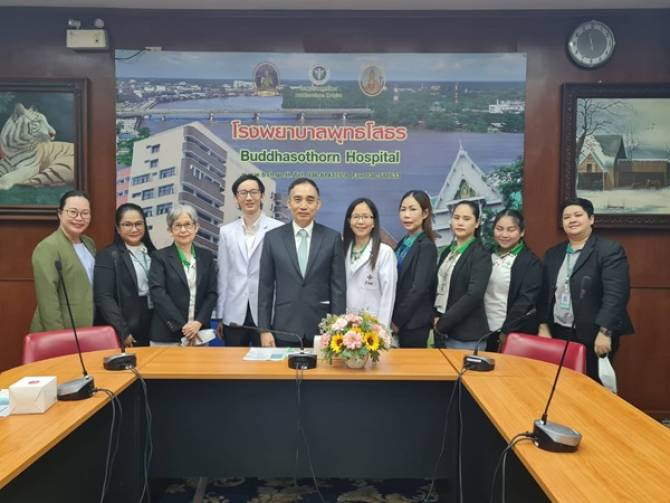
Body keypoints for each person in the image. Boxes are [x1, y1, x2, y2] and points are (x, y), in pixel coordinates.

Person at [538, 197, 634, 381]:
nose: (572, 220)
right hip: (558, 331)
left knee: (590, 387)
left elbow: (616, 295)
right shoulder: (553, 253)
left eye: (577, 215)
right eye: (566, 217)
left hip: (594, 334)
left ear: (591, 219)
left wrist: (605, 332)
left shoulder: (609, 250)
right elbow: (544, 294)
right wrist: (543, 325)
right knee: (560, 384)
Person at [258, 178, 346, 347]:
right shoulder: (272, 238)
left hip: (323, 330)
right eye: (297, 199)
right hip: (284, 328)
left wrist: (337, 330)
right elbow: (265, 287)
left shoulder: (332, 238)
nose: (303, 206)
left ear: (318, 204)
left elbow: (338, 289)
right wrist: (264, 329)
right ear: (289, 203)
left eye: (310, 200)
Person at [216, 174, 282, 346]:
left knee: (266, 361)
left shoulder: (278, 229)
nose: (249, 197)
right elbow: (224, 274)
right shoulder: (226, 232)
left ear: (262, 195)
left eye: (254, 192)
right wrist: (221, 315)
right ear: (236, 198)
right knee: (233, 361)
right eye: (243, 193)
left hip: (266, 312)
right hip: (234, 312)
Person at [148, 205, 217, 346]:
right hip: (168, 334)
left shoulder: (206, 257)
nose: (183, 230)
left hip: (199, 333)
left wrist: (198, 322)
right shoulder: (159, 257)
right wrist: (184, 327)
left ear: (196, 227)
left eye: (187, 224)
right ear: (170, 230)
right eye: (178, 225)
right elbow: (158, 294)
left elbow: (212, 293)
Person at [31, 190, 95, 332]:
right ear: (60, 214)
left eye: (85, 213)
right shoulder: (48, 247)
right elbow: (47, 301)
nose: (79, 218)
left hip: (86, 328)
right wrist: (58, 335)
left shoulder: (89, 243)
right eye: (73, 212)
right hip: (61, 330)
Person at [94, 203, 156, 347]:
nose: (134, 229)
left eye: (138, 224)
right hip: (126, 326)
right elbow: (104, 297)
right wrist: (123, 331)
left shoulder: (153, 253)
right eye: (127, 224)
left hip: (153, 326)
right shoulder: (108, 255)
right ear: (118, 228)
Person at [433, 200, 492, 350]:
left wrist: (443, 323)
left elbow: (474, 295)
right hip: (442, 332)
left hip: (467, 336)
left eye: (466, 219)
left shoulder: (481, 254)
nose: (460, 223)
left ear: (477, 223)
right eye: (456, 217)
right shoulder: (448, 251)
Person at [483, 209, 542, 351]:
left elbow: (526, 301)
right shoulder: (485, 255)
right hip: (481, 329)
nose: (504, 234)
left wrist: (506, 331)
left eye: (511, 230)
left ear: (522, 232)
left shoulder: (531, 263)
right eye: (499, 229)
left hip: (509, 332)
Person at [392, 190, 437, 348]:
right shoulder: (403, 242)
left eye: (412, 209)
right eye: (403, 209)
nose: (406, 215)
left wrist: (397, 321)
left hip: (413, 324)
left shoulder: (426, 246)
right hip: (397, 319)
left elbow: (418, 289)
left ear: (425, 213)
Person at [342, 198, 397, 328]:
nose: (361, 222)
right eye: (356, 217)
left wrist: (382, 330)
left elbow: (388, 296)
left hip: (372, 327)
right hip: (344, 325)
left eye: (366, 217)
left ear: (374, 222)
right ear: (349, 221)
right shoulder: (341, 249)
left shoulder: (385, 252)